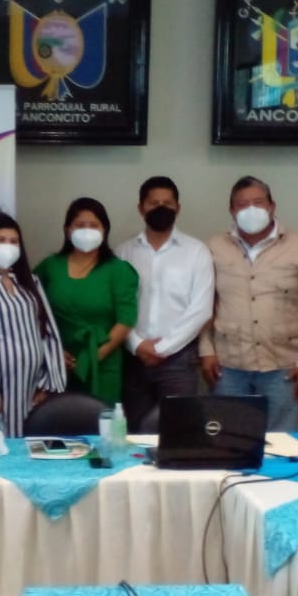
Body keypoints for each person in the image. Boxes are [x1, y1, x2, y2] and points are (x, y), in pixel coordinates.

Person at [198, 176, 298, 432]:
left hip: (283, 367)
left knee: (280, 443)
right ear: (231, 210)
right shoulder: (213, 248)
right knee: (228, 440)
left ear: (272, 206)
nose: (251, 210)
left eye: (258, 202)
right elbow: (202, 305)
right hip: (227, 365)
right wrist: (206, 351)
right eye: (242, 204)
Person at [0, 214, 68, 437]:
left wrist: (48, 383)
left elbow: (48, 333)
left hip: (30, 387)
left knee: (27, 443)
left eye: (13, 241)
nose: (7, 246)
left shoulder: (31, 282)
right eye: (0, 240)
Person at [117, 176, 214, 430]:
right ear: (141, 208)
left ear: (178, 208)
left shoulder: (197, 251)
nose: (161, 208)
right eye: (153, 203)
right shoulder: (123, 252)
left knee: (180, 431)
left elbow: (201, 309)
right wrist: (137, 345)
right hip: (133, 359)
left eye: (167, 203)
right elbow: (117, 308)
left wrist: (163, 348)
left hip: (179, 361)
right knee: (134, 433)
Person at [32, 198, 138, 405]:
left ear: (105, 230)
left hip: (103, 364)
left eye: (94, 225)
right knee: (56, 420)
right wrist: (51, 351)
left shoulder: (118, 270)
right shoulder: (50, 266)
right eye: (80, 225)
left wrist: (93, 357)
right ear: (67, 230)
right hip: (56, 364)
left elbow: (125, 320)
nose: (87, 231)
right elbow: (29, 309)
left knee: (101, 419)